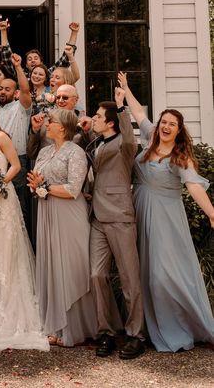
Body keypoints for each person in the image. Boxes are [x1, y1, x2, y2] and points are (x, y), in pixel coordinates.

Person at [118, 72, 214, 352]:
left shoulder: (180, 157)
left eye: (173, 124)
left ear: (179, 129)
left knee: (164, 274)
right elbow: (137, 112)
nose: (166, 126)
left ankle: (185, 324)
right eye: (164, 122)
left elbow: (194, 187)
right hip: (139, 209)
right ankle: (145, 326)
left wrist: (211, 212)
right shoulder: (149, 137)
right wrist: (127, 89)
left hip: (165, 218)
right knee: (144, 272)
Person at [0, 103, 48, 351]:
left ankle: (12, 309)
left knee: (7, 252)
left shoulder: (1, 136)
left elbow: (16, 165)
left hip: (3, 199)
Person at [28, 108, 97, 347]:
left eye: (52, 121)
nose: (47, 123)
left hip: (69, 214)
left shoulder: (75, 152)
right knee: (51, 263)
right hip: (46, 212)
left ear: (64, 127)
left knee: (69, 264)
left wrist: (43, 186)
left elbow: (73, 189)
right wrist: (37, 187)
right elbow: (34, 182)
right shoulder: (45, 151)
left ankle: (74, 326)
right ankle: (54, 325)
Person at [85, 88, 145, 360]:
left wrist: (121, 107)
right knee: (97, 275)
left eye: (98, 116)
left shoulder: (125, 146)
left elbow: (129, 134)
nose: (93, 118)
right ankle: (107, 332)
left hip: (120, 216)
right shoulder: (95, 143)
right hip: (97, 217)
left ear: (111, 122)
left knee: (129, 278)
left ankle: (135, 335)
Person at [0, 53, 32, 227]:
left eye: (7, 89)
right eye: (0, 88)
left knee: (19, 206)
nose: (3, 91)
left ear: (15, 92)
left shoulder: (21, 107)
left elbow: (26, 90)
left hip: (18, 161)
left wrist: (18, 67)